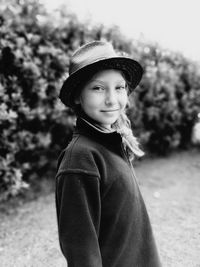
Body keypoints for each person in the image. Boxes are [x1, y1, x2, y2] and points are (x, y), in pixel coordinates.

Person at [55, 40, 162, 267]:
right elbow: (81, 251)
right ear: (77, 96)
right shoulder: (80, 159)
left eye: (119, 87)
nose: (112, 99)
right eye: (98, 88)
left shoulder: (111, 140)